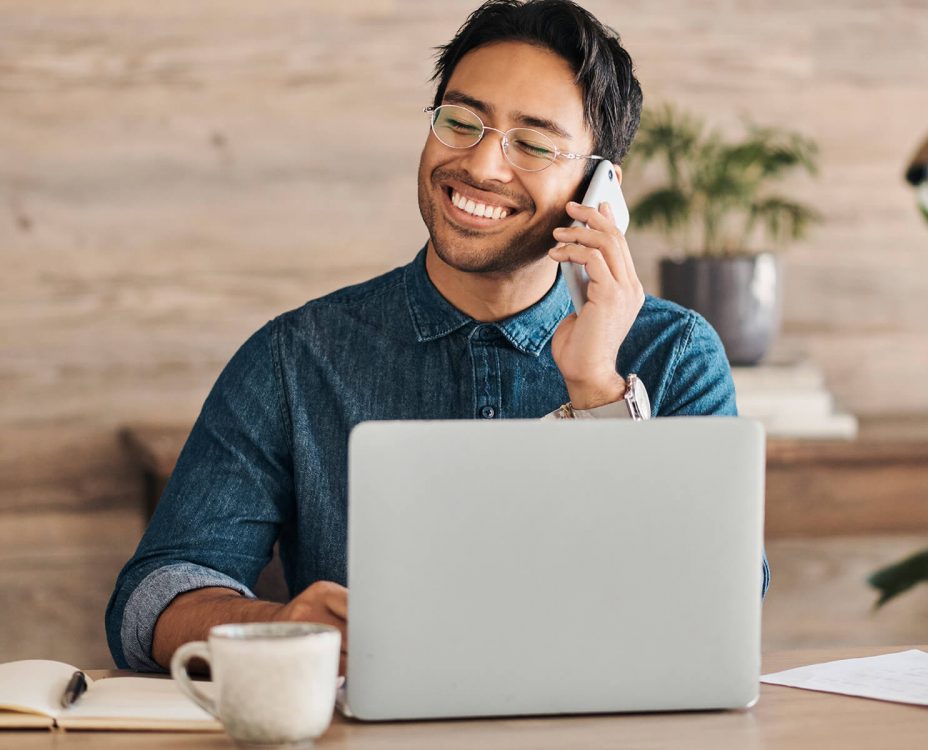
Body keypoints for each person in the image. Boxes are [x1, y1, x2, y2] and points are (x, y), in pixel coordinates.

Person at [106, 0, 770, 676]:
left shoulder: (675, 351)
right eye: (461, 121)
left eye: (534, 143)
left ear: (600, 188)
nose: (481, 165)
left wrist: (599, 389)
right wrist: (278, 627)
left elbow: (725, 602)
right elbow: (150, 602)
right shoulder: (296, 356)